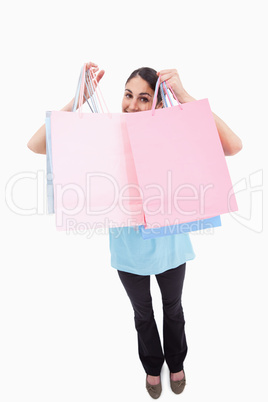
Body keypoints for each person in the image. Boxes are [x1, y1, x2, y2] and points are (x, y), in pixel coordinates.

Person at [27, 62, 243, 399]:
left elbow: (233, 146)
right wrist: (76, 101)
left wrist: (184, 97)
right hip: (128, 255)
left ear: (157, 103)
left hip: (171, 249)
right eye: (128, 95)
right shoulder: (106, 135)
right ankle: (151, 366)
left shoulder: (173, 132)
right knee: (143, 314)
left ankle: (177, 363)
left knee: (173, 309)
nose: (132, 105)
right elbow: (37, 144)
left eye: (144, 98)